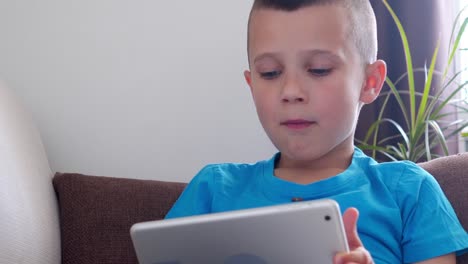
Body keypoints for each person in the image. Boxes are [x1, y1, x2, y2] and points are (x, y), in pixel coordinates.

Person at [165, 0, 468, 263]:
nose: (291, 91)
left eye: (319, 69)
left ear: (370, 82)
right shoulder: (213, 189)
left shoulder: (410, 191)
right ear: (251, 84)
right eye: (270, 73)